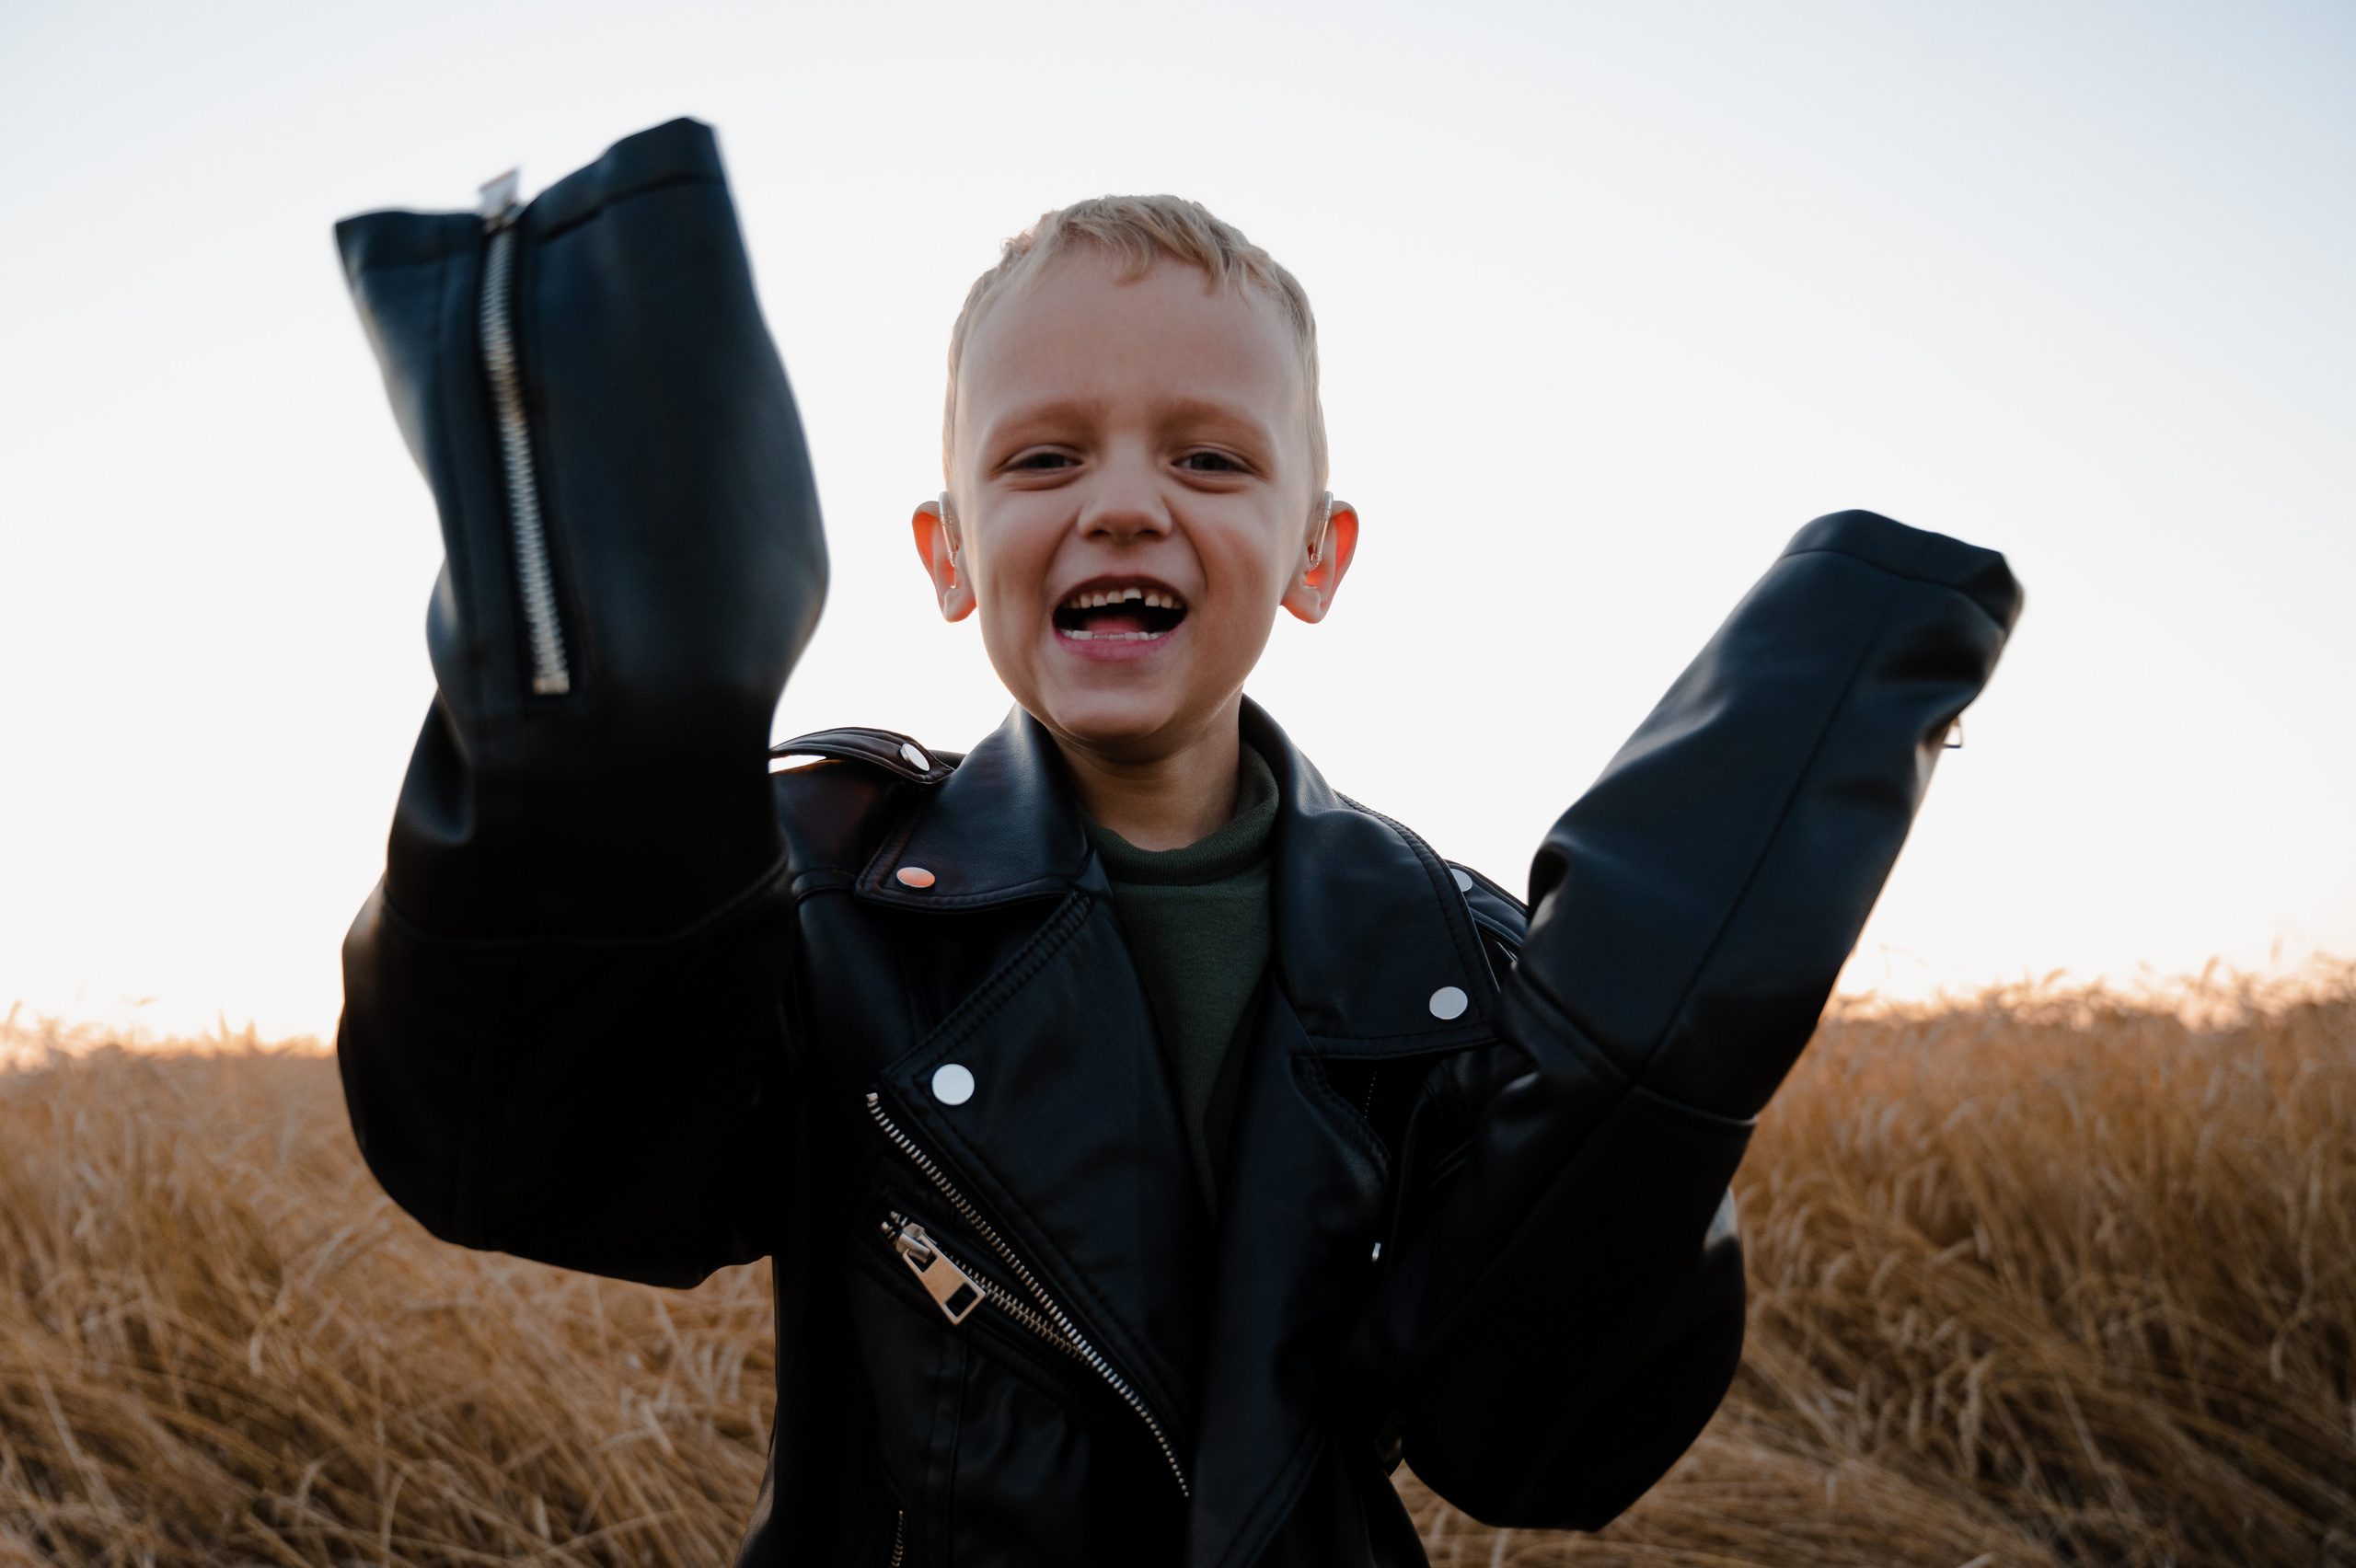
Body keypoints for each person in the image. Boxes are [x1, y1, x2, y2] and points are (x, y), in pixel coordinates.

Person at [334, 119, 2019, 1568]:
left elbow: (1531, 1441)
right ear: (946, 550)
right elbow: (523, 1150)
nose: (1126, 502)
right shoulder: (830, 905)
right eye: (1046, 455)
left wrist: (1663, 1044)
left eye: (1210, 458)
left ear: (1316, 551)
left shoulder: (1450, 965)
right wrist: (600, 729)